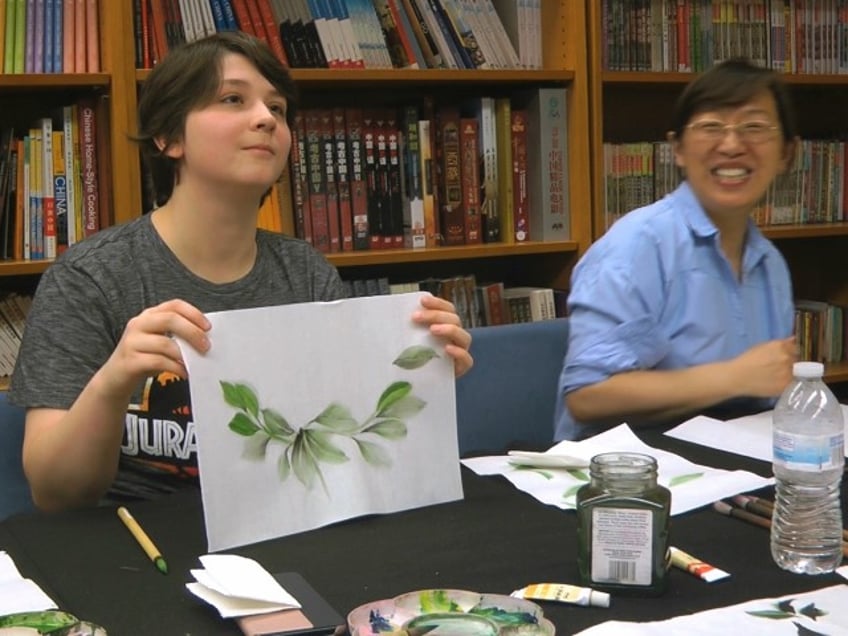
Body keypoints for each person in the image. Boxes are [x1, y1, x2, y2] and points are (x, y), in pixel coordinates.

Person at [10, 31, 473, 512]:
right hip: (140, 542)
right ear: (168, 136)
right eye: (233, 99)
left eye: (277, 109)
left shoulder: (305, 273)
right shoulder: (90, 278)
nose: (265, 119)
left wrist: (420, 376)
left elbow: (340, 450)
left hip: (284, 527)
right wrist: (113, 381)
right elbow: (54, 492)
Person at [555, 58, 799, 441]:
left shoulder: (770, 265)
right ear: (678, 150)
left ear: (786, 153)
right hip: (631, 475)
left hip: (733, 464)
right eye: (710, 127)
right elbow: (587, 394)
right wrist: (733, 376)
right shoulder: (639, 246)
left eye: (754, 126)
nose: (732, 144)